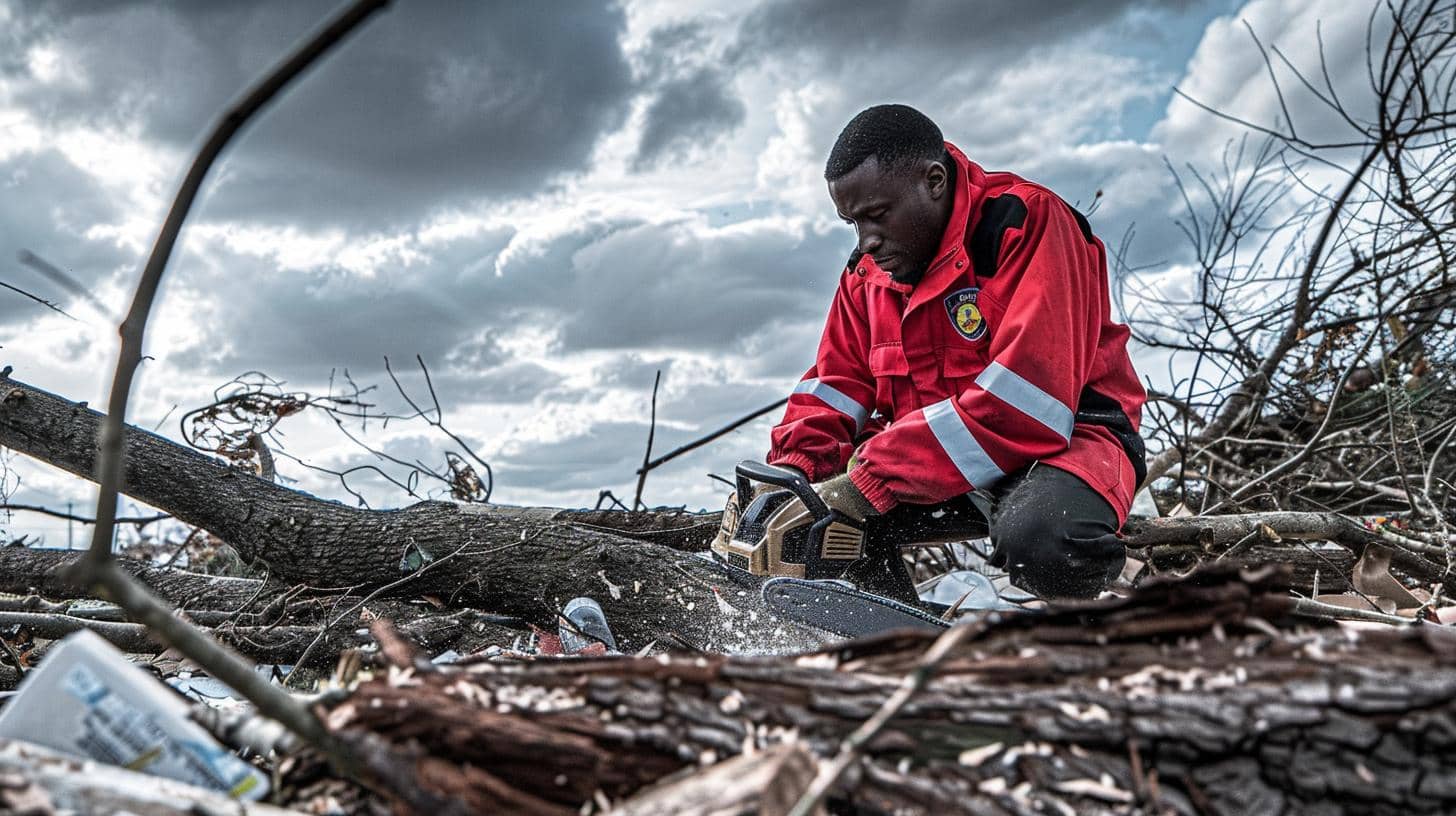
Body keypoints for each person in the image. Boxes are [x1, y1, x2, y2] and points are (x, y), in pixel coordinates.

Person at [745, 104, 1145, 600]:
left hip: (1069, 440)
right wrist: (792, 473)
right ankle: (883, 634)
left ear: (934, 181)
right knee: (813, 519)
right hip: (934, 461)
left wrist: (866, 484)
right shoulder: (868, 273)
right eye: (852, 222)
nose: (866, 240)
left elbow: (1028, 408)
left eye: (877, 215)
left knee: (1044, 539)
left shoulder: (1026, 223)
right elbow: (835, 384)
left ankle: (1101, 637)